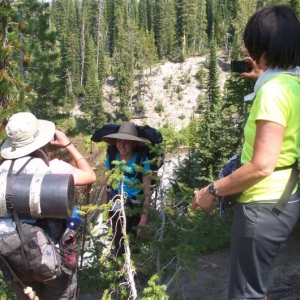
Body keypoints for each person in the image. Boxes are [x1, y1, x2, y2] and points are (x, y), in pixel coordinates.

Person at [192, 5, 300, 300]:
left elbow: (262, 165)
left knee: (244, 294)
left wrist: (213, 190)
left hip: (261, 204)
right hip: (285, 197)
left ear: (260, 45)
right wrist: (264, 75)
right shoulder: (292, 83)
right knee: (254, 287)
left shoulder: (274, 92)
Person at [0, 112, 96, 300]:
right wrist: (68, 145)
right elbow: (90, 176)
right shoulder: (53, 169)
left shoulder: (2, 174)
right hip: (52, 259)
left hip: (15, 260)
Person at [101, 121, 151, 258]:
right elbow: (106, 183)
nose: (121, 146)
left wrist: (144, 219)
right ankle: (121, 267)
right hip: (116, 200)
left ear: (134, 144)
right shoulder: (112, 156)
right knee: (118, 237)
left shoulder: (142, 160)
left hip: (134, 205)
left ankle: (135, 269)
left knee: (133, 239)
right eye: (119, 141)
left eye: (127, 142)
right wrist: (105, 209)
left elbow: (147, 190)